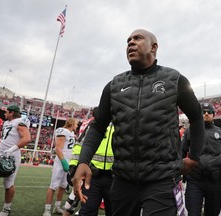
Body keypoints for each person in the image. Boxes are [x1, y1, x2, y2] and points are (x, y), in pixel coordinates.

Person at [72, 29, 205, 216]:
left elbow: (197, 116)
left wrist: (194, 156)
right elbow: (98, 126)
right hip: (122, 179)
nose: (131, 43)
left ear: (154, 47)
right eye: (128, 41)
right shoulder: (114, 85)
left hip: (162, 178)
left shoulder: (174, 79)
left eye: (137, 38)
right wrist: (83, 161)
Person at [182, 102, 221, 216]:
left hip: (215, 181)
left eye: (209, 112)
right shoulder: (190, 130)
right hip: (194, 180)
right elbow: (181, 153)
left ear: (214, 114)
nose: (206, 114)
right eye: (203, 112)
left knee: (213, 213)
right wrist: (177, 174)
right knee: (193, 213)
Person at [0, 105, 31, 216]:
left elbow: (27, 138)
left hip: (11, 156)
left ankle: (6, 209)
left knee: (8, 183)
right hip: (0, 153)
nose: (4, 114)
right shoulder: (7, 123)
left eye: (6, 112)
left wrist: (11, 150)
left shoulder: (20, 122)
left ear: (12, 112)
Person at [43, 118, 78, 216]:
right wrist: (63, 161)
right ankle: (47, 209)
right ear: (71, 123)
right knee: (53, 186)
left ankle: (57, 207)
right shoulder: (63, 131)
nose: (77, 126)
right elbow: (58, 148)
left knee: (63, 186)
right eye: (76, 124)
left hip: (68, 161)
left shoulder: (70, 133)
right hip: (61, 162)